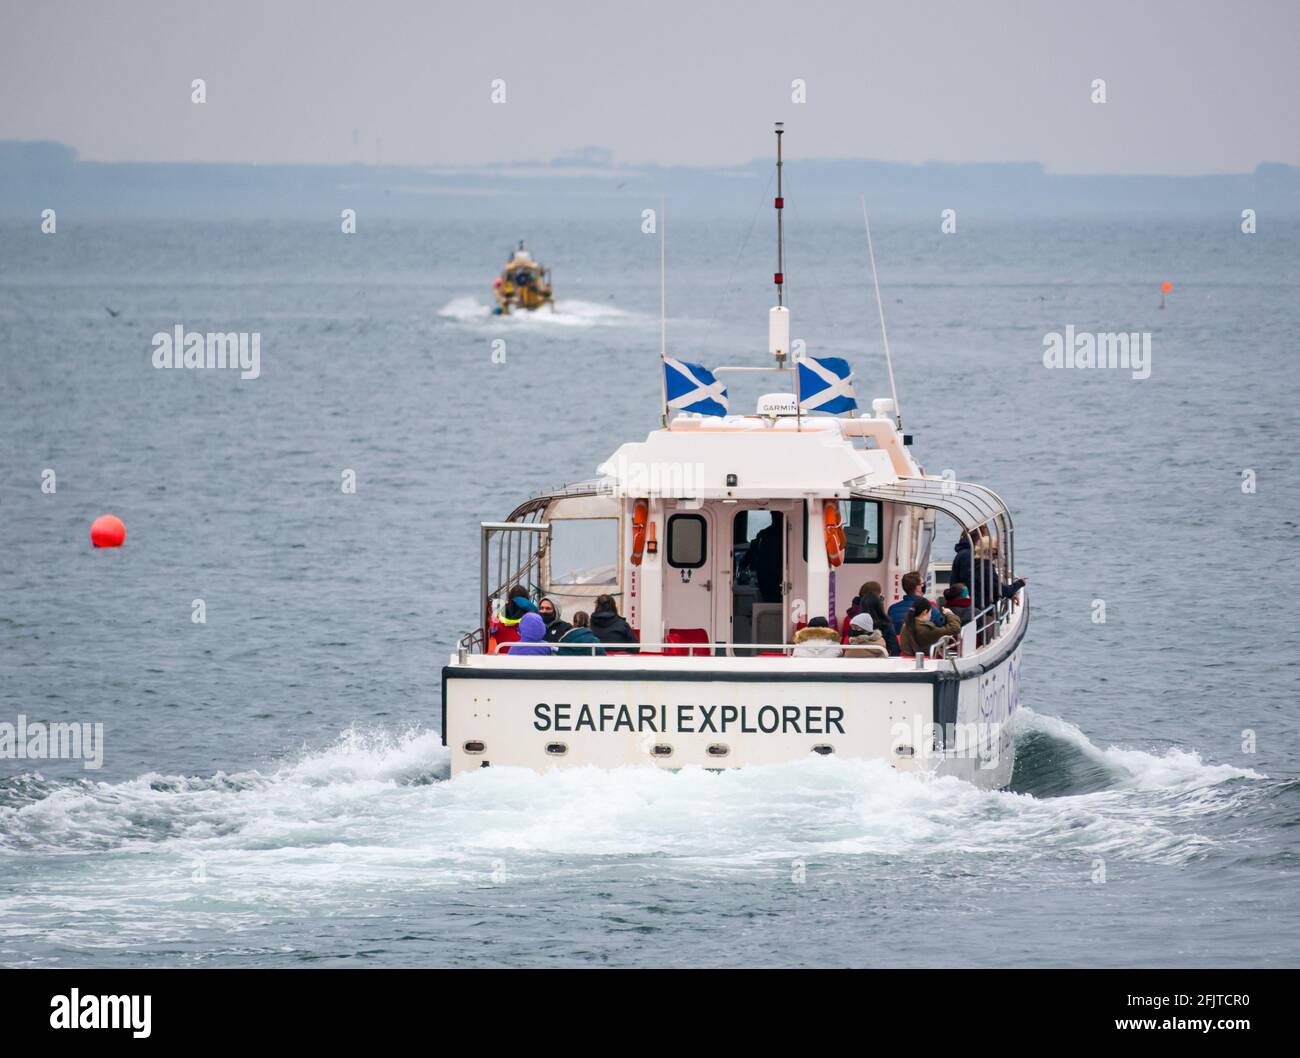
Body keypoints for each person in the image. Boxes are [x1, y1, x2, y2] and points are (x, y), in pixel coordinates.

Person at [842, 580, 901, 656]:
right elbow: (895, 650)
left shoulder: (854, 624)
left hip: (856, 662)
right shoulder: (886, 624)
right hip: (881, 663)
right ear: (879, 605)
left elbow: (849, 644)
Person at [742, 518, 783, 603]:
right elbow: (752, 551)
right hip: (769, 576)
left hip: (770, 576)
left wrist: (743, 565)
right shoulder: (763, 534)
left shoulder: (764, 534)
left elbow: (751, 552)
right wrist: (743, 565)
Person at [488, 584, 536, 652]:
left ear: (509, 600)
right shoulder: (534, 620)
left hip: (502, 657)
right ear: (527, 601)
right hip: (526, 657)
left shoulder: (496, 619)